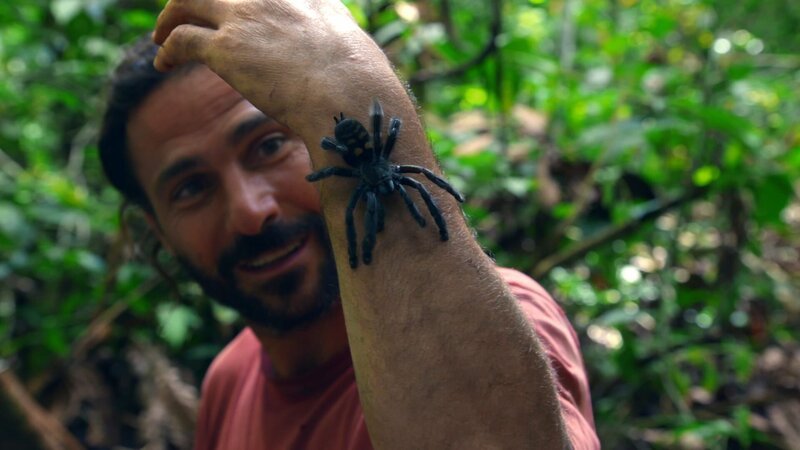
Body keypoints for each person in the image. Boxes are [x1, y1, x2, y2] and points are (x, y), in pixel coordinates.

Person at [98, 0, 599, 448]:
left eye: (270, 145)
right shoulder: (228, 381)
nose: (251, 212)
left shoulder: (496, 319)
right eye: (190, 188)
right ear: (159, 233)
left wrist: (340, 75)